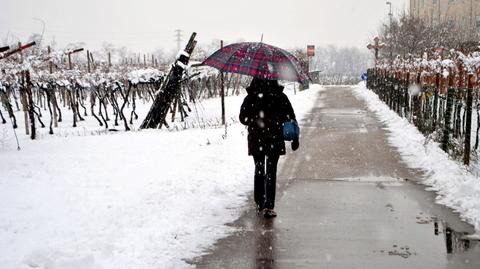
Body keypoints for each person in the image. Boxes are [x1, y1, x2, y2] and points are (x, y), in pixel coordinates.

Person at [239, 78, 299, 218]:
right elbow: (290, 116)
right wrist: (295, 137)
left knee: (259, 168)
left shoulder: (251, 96)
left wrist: (254, 119)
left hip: (257, 139)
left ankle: (259, 200)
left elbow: (243, 118)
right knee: (271, 170)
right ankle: (269, 206)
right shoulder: (280, 96)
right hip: (274, 138)